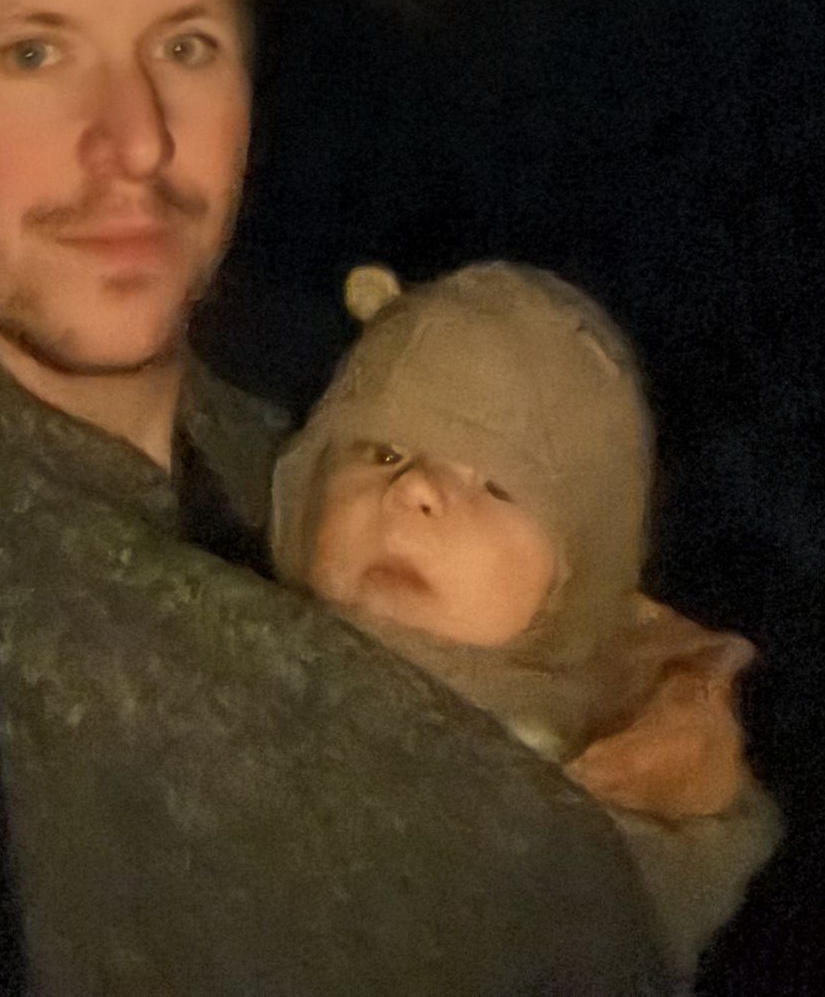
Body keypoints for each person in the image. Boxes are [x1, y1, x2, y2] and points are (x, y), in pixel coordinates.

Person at [0, 0, 773, 995]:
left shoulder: (321, 418)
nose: (136, 139)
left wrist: (650, 706)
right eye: (33, 50)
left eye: (185, 46)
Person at [271, 257, 783, 986]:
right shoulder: (199, 637)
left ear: (573, 578)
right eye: (383, 451)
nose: (414, 490)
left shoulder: (607, 784)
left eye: (496, 484)